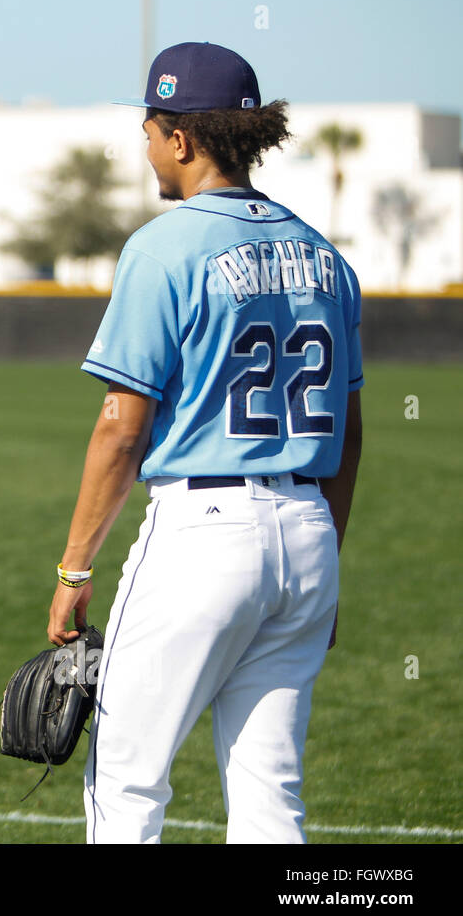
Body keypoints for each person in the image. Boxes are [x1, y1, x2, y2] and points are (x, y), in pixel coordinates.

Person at [46, 43, 362, 843]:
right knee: (269, 795)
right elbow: (351, 427)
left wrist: (75, 567)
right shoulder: (325, 256)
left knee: (125, 778)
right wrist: (325, 548)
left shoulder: (164, 247)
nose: (146, 145)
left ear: (181, 138)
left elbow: (122, 426)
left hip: (205, 532)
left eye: (150, 129)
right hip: (309, 531)